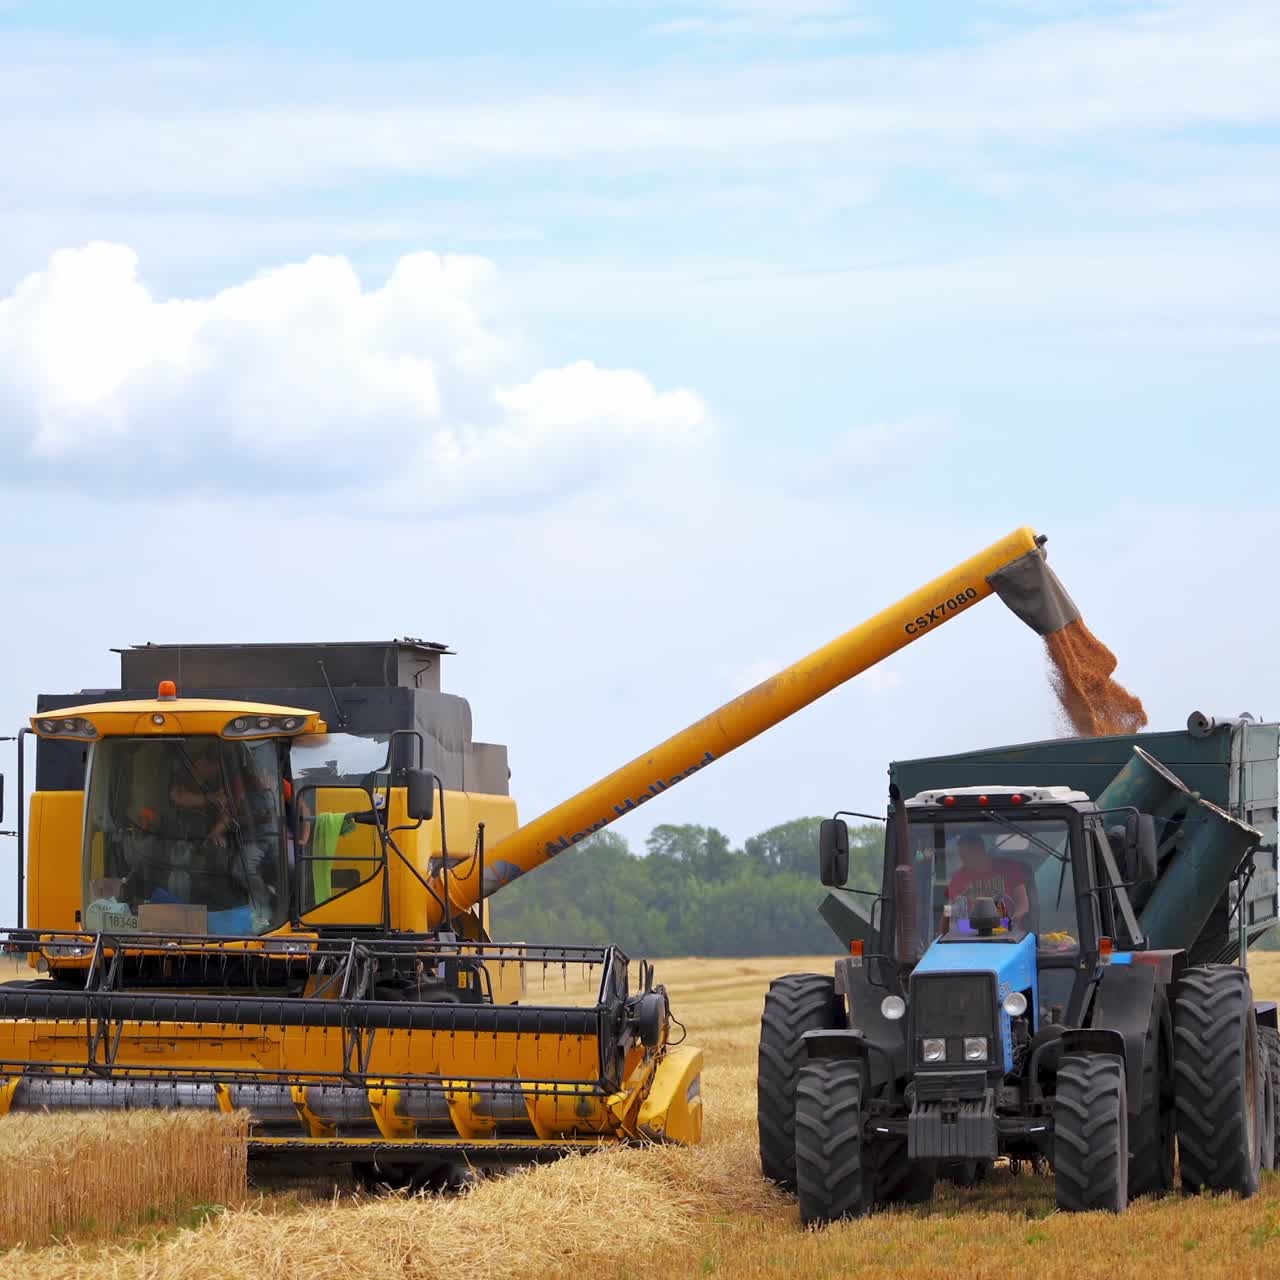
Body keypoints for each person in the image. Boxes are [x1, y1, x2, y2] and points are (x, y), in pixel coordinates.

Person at [946, 831, 1031, 929]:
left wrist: (1009, 923)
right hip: (970, 934)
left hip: (1008, 934)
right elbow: (950, 910)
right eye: (961, 855)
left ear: (980, 851)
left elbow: (1023, 905)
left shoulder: (1009, 869)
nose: (962, 859)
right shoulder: (958, 877)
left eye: (966, 855)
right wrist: (945, 933)